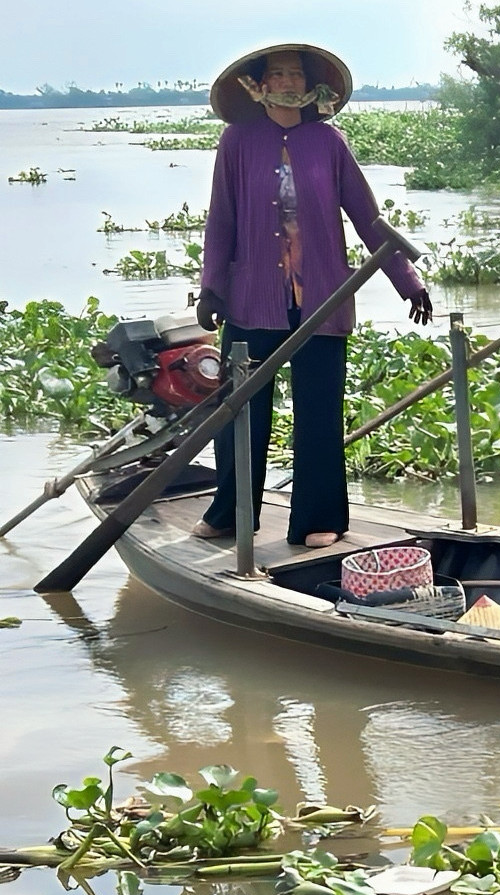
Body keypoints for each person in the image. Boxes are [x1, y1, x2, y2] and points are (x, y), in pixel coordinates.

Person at [192, 44, 433, 548]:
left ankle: (317, 519)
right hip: (251, 300)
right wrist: (211, 286)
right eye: (276, 74)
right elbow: (222, 220)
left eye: (294, 75)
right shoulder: (237, 142)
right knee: (241, 410)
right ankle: (231, 512)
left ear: (310, 87)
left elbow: (369, 220)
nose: (285, 82)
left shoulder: (329, 143)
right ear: (258, 86)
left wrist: (408, 282)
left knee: (319, 412)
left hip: (321, 300)